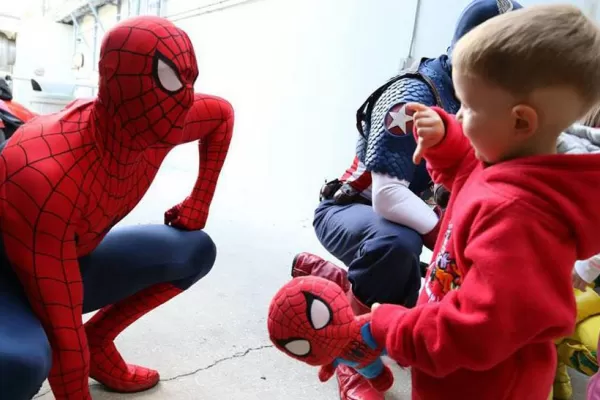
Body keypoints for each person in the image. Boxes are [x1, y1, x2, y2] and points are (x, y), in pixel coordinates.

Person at [366, 4, 600, 399]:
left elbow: (474, 330)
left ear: (521, 121)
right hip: (453, 375)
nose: (460, 115)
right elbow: (468, 171)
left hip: (484, 387)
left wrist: (395, 328)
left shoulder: (522, 220)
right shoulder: (509, 158)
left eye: (469, 107)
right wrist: (445, 140)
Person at [290, 1, 522, 398]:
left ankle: (338, 283)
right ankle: (351, 352)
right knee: (397, 243)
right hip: (351, 209)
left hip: (411, 218)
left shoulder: (481, 101)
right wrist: (450, 237)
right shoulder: (415, 92)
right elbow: (389, 197)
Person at [0, 16, 234, 399]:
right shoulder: (46, 173)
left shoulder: (164, 121)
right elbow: (63, 339)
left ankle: (100, 341)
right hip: (8, 276)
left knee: (195, 249)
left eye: (190, 79)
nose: (186, 99)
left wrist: (199, 200)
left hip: (74, 255)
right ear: (116, 79)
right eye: (169, 79)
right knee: (21, 366)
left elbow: (221, 115)